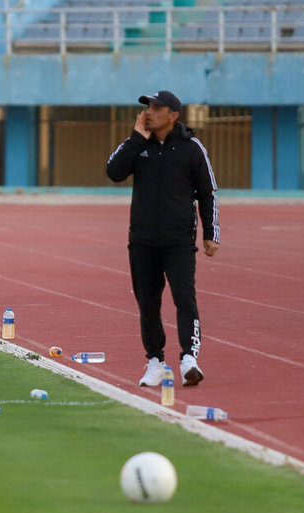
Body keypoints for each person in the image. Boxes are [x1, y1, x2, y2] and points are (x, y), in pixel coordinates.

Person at [106, 90, 219, 388]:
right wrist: (136, 139)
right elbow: (113, 171)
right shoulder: (137, 144)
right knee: (148, 303)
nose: (150, 112)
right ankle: (155, 361)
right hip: (142, 239)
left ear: (173, 115)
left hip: (179, 240)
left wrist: (211, 233)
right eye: (148, 107)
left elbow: (208, 192)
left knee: (184, 298)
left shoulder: (192, 147)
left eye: (157, 107)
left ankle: (189, 359)